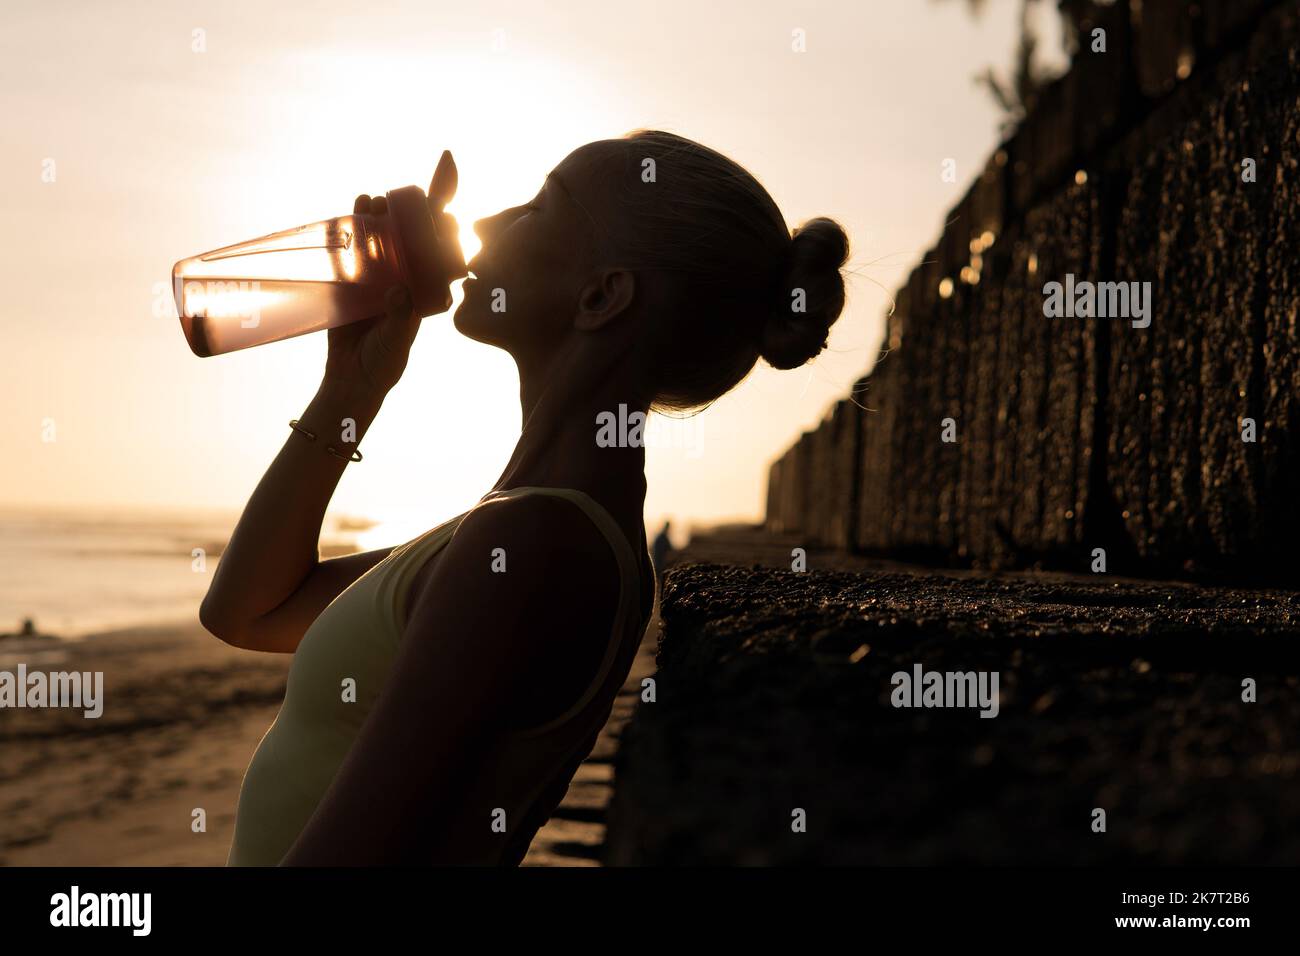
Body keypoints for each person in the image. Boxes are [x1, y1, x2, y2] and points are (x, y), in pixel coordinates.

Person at [200, 129, 850, 865]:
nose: (483, 224)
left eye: (540, 206)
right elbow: (248, 612)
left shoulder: (536, 544)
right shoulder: (522, 522)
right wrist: (351, 388)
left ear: (602, 295)